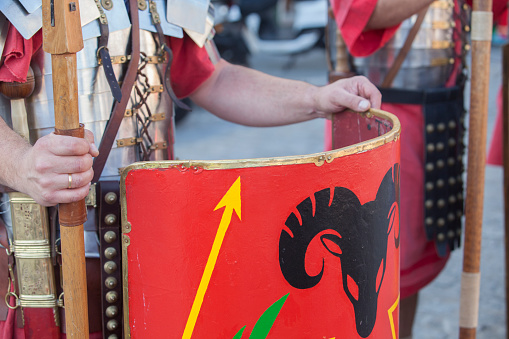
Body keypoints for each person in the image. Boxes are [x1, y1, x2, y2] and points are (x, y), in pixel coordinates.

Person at [0, 1, 381, 337]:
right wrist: (22, 165)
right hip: (49, 270)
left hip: (156, 254)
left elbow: (213, 77)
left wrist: (314, 99)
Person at [326, 0, 507, 338]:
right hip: (375, 118)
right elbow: (360, 14)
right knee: (371, 259)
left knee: (405, 264)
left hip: (437, 119)